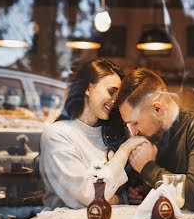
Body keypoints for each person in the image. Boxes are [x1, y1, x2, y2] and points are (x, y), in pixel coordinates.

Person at [115, 67, 194, 212]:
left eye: (135, 123)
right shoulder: (156, 138)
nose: (133, 131)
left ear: (157, 109)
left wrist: (147, 168)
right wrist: (144, 191)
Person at [40, 58, 147, 209]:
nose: (115, 100)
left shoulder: (114, 133)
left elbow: (107, 195)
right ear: (88, 88)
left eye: (119, 96)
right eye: (111, 92)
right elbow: (89, 197)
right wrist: (124, 150)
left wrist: (127, 196)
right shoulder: (57, 134)